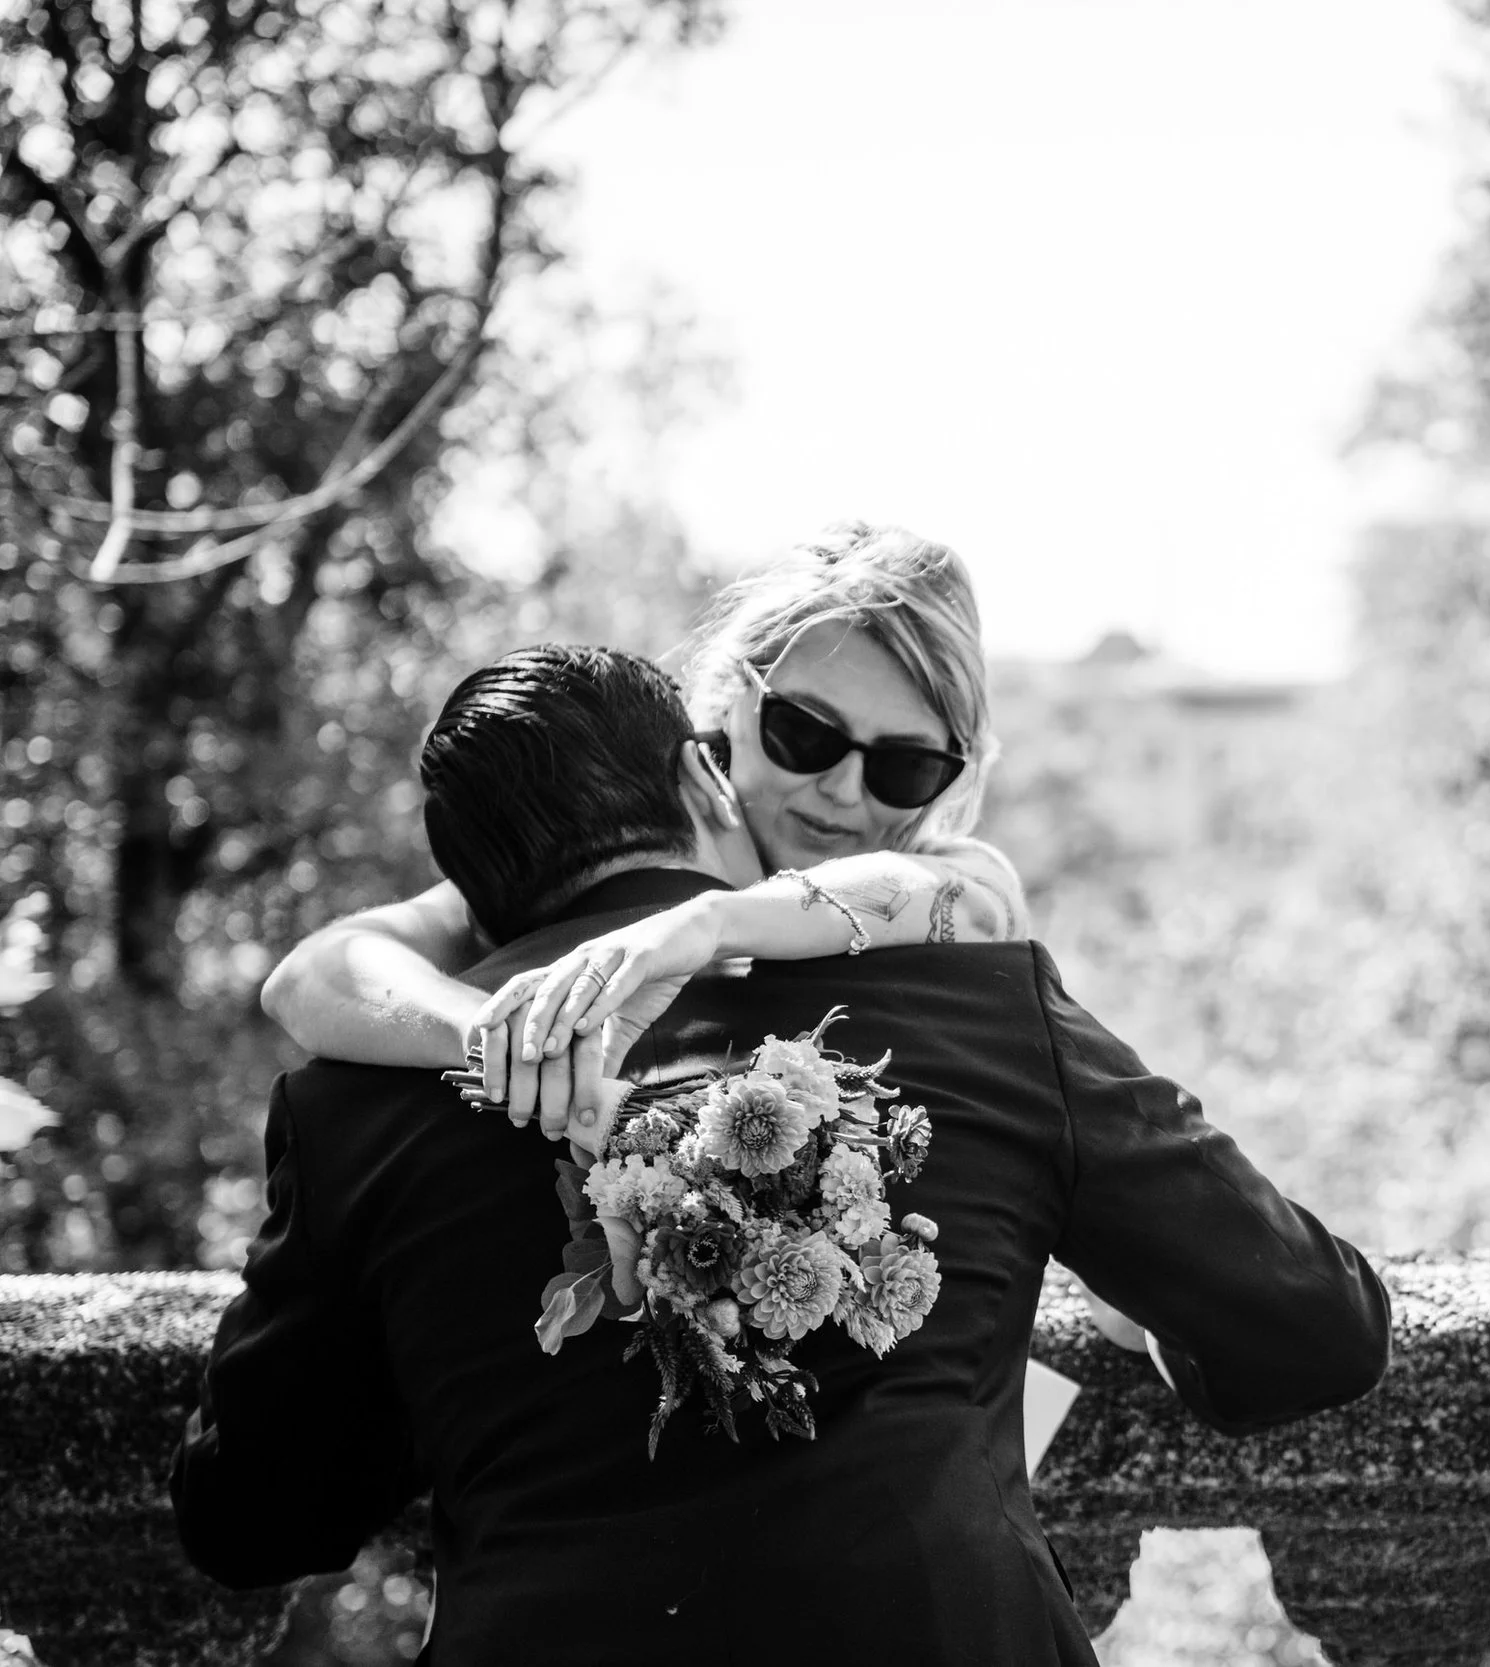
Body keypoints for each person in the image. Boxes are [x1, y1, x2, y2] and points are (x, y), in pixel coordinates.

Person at [171, 644, 1393, 1666]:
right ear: (704, 774)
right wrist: (1142, 1315)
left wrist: (457, 1372)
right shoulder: (983, 1005)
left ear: (464, 896)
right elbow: (1314, 1327)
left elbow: (253, 1519)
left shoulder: (355, 1110)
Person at [259, 522, 1029, 1108]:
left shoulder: (944, 877)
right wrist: (502, 1037)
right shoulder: (622, 835)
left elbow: (973, 898)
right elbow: (316, 973)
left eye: (906, 766)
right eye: (807, 733)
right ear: (732, 693)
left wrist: (708, 924)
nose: (845, 789)